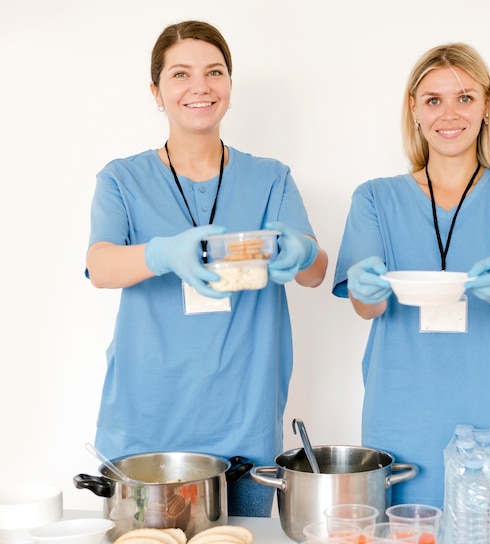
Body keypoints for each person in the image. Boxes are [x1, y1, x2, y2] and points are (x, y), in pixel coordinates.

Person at [85, 20, 328, 516]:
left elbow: (315, 270)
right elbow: (100, 266)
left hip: (243, 424)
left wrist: (301, 251)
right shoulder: (122, 179)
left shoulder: (269, 178)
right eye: (180, 74)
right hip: (145, 423)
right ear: (156, 91)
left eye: (214, 72)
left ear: (230, 88)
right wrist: (163, 254)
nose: (200, 86)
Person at [332, 42, 490, 507]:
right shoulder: (375, 198)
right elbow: (367, 307)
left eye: (465, 97)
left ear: (486, 108)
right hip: (401, 419)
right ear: (414, 110)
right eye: (434, 100)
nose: (449, 114)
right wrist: (365, 286)